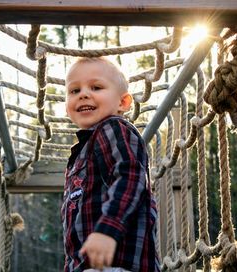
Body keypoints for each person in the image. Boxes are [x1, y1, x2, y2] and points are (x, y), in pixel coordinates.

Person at [62, 56, 160, 272]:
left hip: (118, 265)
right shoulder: (82, 152)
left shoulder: (113, 128)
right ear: (66, 107)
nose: (84, 94)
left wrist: (107, 229)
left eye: (96, 87)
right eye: (74, 91)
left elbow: (131, 177)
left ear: (122, 102)